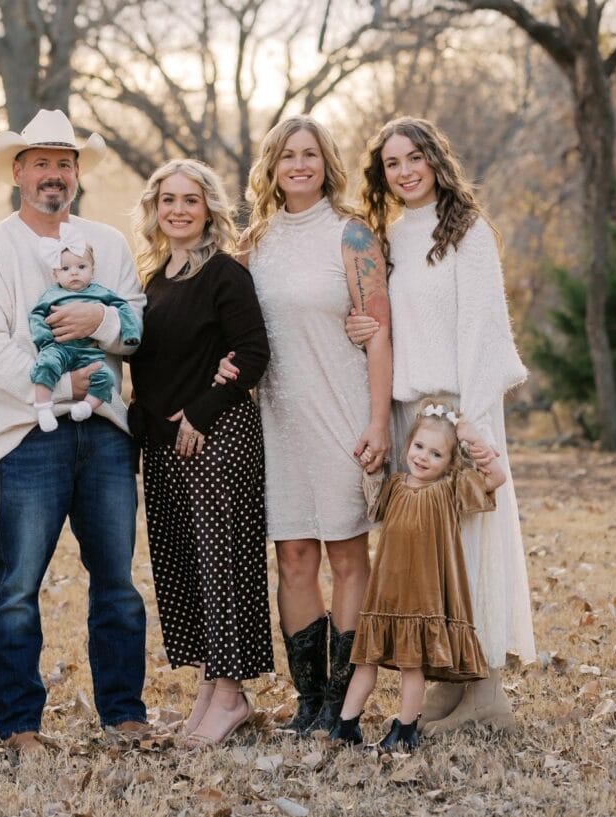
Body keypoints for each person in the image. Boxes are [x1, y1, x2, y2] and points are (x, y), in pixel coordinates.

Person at [0, 109, 148, 754]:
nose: (53, 175)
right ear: (17, 172)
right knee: (17, 586)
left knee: (116, 583)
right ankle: (20, 725)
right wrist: (57, 386)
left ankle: (124, 714)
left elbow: (135, 327)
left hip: (106, 432)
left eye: (64, 163)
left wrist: (100, 321)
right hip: (26, 434)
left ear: (77, 174)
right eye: (40, 163)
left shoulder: (108, 244)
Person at [345, 116, 536, 734]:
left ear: (435, 159)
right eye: (392, 163)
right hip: (413, 415)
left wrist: (470, 427)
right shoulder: (394, 236)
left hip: (459, 411)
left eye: (414, 158)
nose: (405, 171)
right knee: (430, 554)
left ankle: (486, 693)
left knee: (469, 543)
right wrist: (361, 327)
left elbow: (482, 331)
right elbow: (393, 322)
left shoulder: (467, 231)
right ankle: (448, 683)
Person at [221, 115, 393, 735]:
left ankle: (344, 705)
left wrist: (378, 422)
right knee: (293, 557)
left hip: (343, 413)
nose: (299, 164)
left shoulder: (352, 235)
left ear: (326, 165)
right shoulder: (254, 243)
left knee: (347, 555)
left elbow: (379, 336)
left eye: (310, 154)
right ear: (271, 167)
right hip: (278, 421)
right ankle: (309, 701)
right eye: (288, 155)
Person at [129, 159, 273, 749]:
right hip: (167, 447)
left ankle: (232, 694)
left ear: (210, 209)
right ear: (155, 208)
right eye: (168, 199)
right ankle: (210, 691)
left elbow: (254, 352)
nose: (179, 209)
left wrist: (200, 412)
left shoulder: (224, 274)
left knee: (223, 566)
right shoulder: (154, 279)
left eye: (191, 199)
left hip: (218, 439)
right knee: (186, 567)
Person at [328, 397, 501, 753]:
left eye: (436, 454)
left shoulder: (450, 488)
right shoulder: (395, 485)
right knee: (364, 662)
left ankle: (405, 729)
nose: (423, 457)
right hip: (384, 596)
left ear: (450, 463)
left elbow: (495, 478)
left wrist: (473, 440)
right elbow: (373, 506)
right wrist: (371, 471)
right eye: (419, 447)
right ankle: (345, 726)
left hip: (421, 599)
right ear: (408, 444)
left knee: (412, 667)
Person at [31, 224, 141, 431]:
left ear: (92, 271)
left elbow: (123, 308)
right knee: (46, 364)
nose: (74, 273)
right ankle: (43, 406)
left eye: (81, 267)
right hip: (59, 348)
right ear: (55, 274)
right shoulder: (52, 295)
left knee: (106, 377)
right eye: (65, 269)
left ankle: (87, 406)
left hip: (89, 351)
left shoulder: (101, 293)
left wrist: (130, 333)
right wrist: (44, 340)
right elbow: (37, 316)